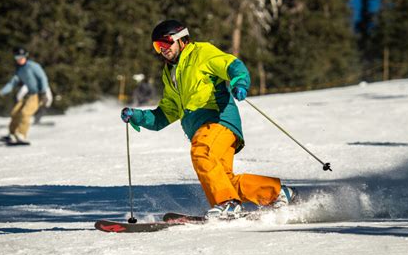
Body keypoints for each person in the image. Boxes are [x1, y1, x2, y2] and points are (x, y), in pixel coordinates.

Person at [121, 20, 296, 219]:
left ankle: (227, 204)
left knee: (201, 152)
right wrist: (138, 116)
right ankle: (277, 193)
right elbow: (166, 114)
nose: (163, 49)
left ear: (181, 40)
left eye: (166, 43)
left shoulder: (201, 53)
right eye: (157, 46)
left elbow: (232, 65)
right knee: (224, 180)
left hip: (218, 120)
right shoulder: (170, 73)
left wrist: (239, 82)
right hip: (204, 130)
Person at [0, 47, 52, 144]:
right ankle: (11, 134)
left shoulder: (33, 66)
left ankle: (21, 135)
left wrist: (43, 92)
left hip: (38, 94)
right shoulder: (20, 70)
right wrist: (1, 92)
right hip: (29, 94)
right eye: (17, 57)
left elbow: (43, 78)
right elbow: (12, 83)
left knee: (25, 113)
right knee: (14, 113)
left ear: (26, 56)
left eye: (21, 56)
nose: (19, 59)